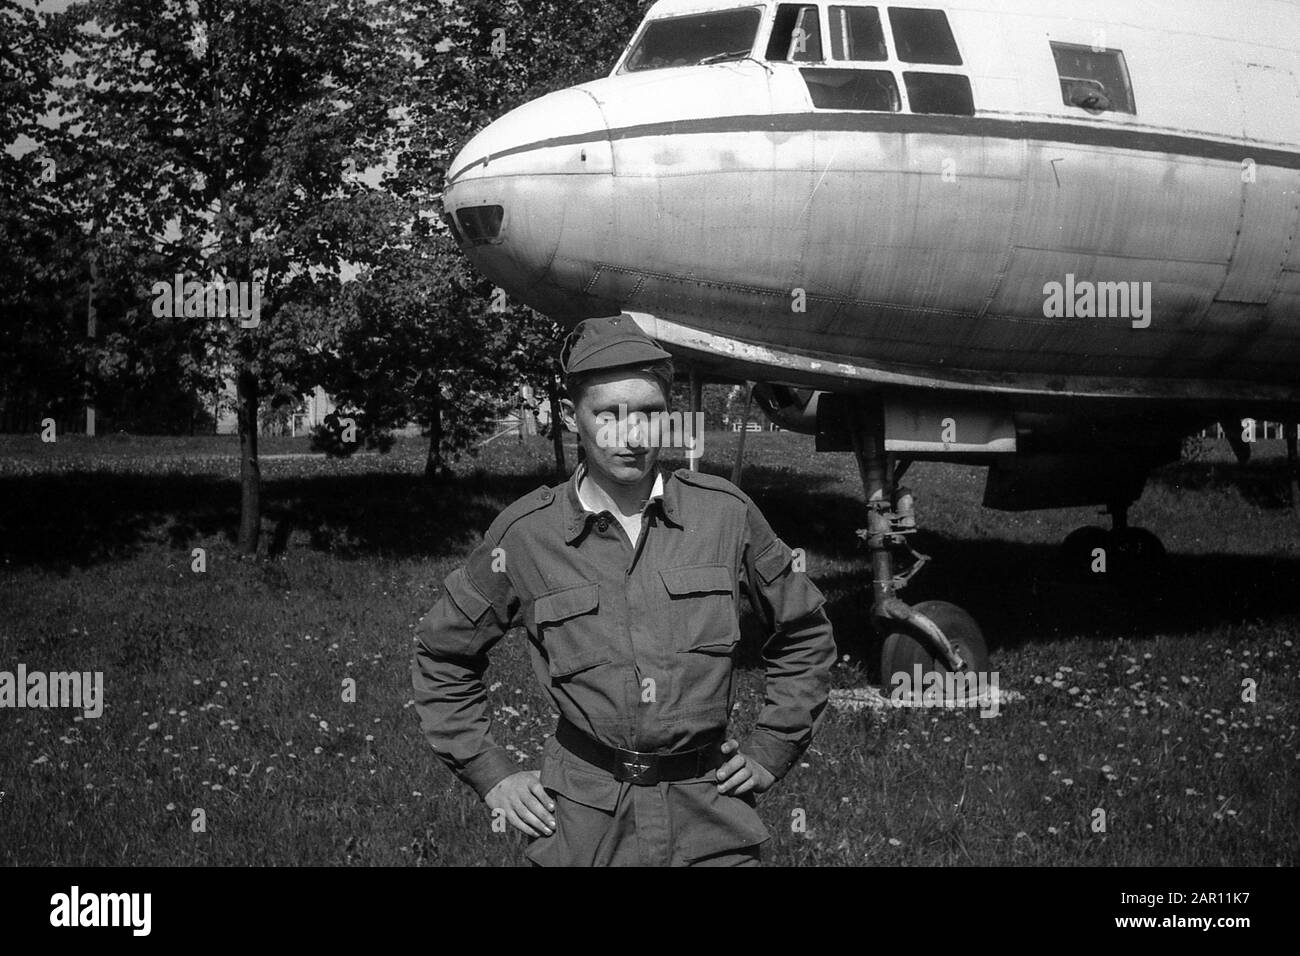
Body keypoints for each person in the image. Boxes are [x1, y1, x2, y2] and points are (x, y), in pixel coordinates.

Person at [411, 315, 837, 866]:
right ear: (571, 418)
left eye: (649, 414)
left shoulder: (725, 516)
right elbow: (442, 653)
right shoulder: (525, 537)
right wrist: (490, 772)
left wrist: (772, 746)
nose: (632, 436)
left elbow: (804, 633)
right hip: (586, 824)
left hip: (710, 816)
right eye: (607, 414)